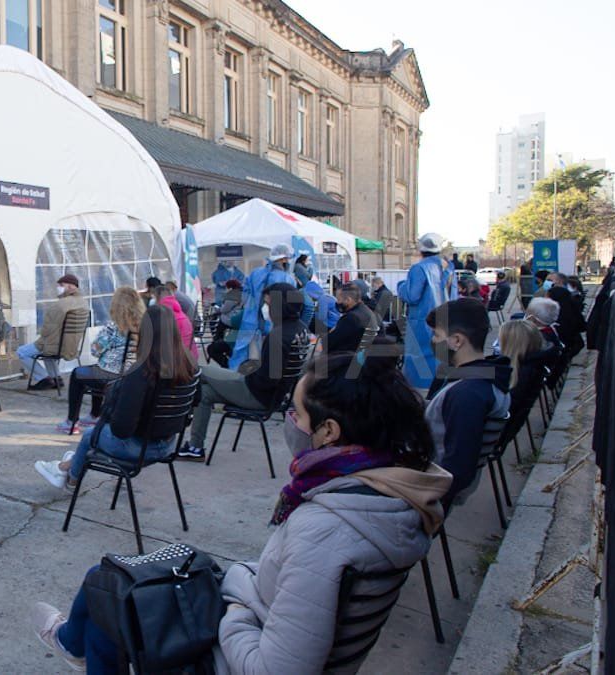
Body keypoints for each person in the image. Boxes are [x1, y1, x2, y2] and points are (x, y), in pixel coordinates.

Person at [31, 351, 451, 673]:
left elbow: (274, 669)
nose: (290, 421)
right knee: (113, 582)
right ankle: (73, 644)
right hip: (267, 617)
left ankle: (71, 642)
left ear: (328, 432)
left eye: (297, 413)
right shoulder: (394, 496)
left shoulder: (325, 528)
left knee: (110, 592)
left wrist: (233, 609)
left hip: (230, 655)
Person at [34, 303, 199, 489]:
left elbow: (121, 430)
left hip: (139, 449)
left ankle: (70, 477)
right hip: (169, 444)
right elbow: (195, 402)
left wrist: (113, 403)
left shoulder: (141, 373)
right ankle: (66, 466)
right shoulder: (190, 366)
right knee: (93, 435)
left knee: (90, 435)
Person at [178, 283, 307, 461]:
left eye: (268, 304)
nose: (265, 309)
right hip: (274, 397)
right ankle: (195, 447)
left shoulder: (278, 336)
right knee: (204, 393)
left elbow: (266, 381)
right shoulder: (300, 328)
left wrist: (248, 372)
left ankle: (171, 412)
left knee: (200, 371)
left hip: (257, 394)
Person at [423, 299, 512, 507]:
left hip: (428, 490)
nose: (433, 341)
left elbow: (457, 468)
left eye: (437, 335)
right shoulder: (487, 377)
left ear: (456, 341)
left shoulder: (467, 394)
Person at [55, 287, 145, 434]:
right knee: (94, 370)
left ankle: (72, 421)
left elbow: (96, 351)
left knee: (78, 374)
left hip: (111, 375)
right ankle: (94, 415)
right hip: (131, 375)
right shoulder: (144, 326)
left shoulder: (114, 327)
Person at [397, 232, 455, 389]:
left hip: (422, 322)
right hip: (445, 319)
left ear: (420, 249)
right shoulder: (448, 267)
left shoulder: (419, 268)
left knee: (419, 359)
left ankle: (420, 390)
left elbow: (412, 296)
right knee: (441, 355)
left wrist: (401, 286)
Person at [229, 244, 297, 369]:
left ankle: (234, 375)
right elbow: (291, 303)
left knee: (242, 351)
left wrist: (252, 307)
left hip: (250, 319)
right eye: (287, 259)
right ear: (283, 259)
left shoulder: (256, 273)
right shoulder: (286, 278)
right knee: (269, 356)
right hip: (274, 321)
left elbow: (245, 294)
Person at [18, 274, 85, 390]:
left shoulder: (61, 304)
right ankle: (56, 378)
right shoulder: (83, 302)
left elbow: (46, 331)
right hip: (72, 346)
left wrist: (42, 339)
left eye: (61, 285)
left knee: (22, 352)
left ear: (70, 286)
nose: (58, 288)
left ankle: (44, 378)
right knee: (48, 352)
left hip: (57, 347)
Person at [327, 282, 378, 354]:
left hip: (347, 357)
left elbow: (329, 343)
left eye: (338, 299)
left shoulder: (352, 318)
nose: (337, 302)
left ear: (348, 300)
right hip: (362, 354)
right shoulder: (365, 310)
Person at [206, 279, 243, 368]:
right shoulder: (242, 294)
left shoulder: (233, 295)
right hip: (236, 327)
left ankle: (217, 340)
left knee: (220, 322)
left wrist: (217, 310)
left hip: (230, 322)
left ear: (230, 287)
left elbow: (225, 309)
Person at [154, 284, 195, 354]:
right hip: (191, 353)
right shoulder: (178, 311)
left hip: (179, 356)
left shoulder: (166, 315)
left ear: (157, 298)